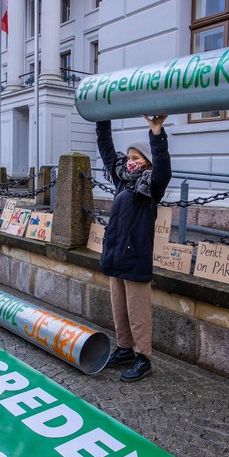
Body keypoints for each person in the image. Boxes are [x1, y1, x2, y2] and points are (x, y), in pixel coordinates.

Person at [96, 115, 172, 382]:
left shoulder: (151, 187)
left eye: (137, 158)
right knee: (119, 308)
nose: (131, 161)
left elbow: (164, 169)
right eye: (129, 157)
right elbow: (106, 150)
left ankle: (143, 357)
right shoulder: (122, 182)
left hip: (135, 258)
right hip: (116, 255)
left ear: (147, 162)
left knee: (138, 312)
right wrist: (101, 121)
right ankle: (125, 348)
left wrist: (156, 134)